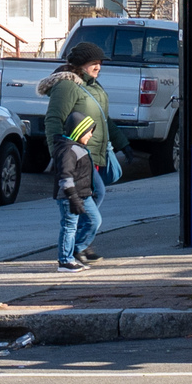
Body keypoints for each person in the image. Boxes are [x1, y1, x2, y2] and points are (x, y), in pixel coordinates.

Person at [41, 41, 113, 269]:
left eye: (100, 63)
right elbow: (53, 120)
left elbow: (104, 118)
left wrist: (122, 144)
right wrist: (58, 154)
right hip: (76, 156)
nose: (98, 67)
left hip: (91, 154)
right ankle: (77, 247)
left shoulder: (93, 86)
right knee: (94, 196)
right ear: (81, 65)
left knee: (95, 196)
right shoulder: (68, 86)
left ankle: (80, 245)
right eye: (94, 63)